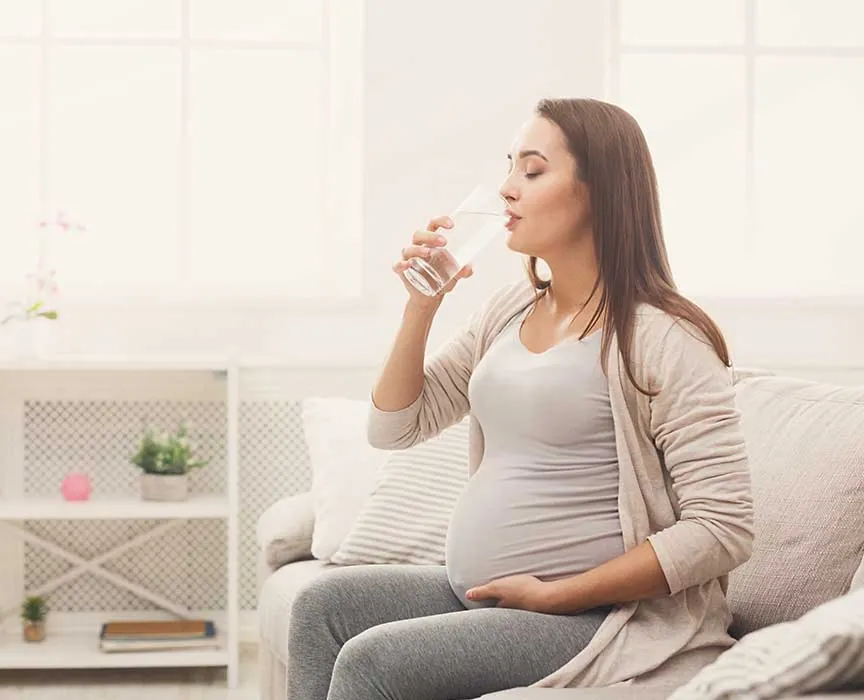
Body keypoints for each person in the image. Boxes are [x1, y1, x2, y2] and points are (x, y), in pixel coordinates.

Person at [286, 97, 755, 700]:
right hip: (496, 597)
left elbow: (723, 528)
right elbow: (394, 429)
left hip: (600, 619)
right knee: (320, 608)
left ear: (600, 191)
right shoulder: (508, 311)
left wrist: (561, 594)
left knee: (373, 662)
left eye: (532, 170)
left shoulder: (664, 337)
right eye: (509, 167)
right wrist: (421, 307)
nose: (507, 188)